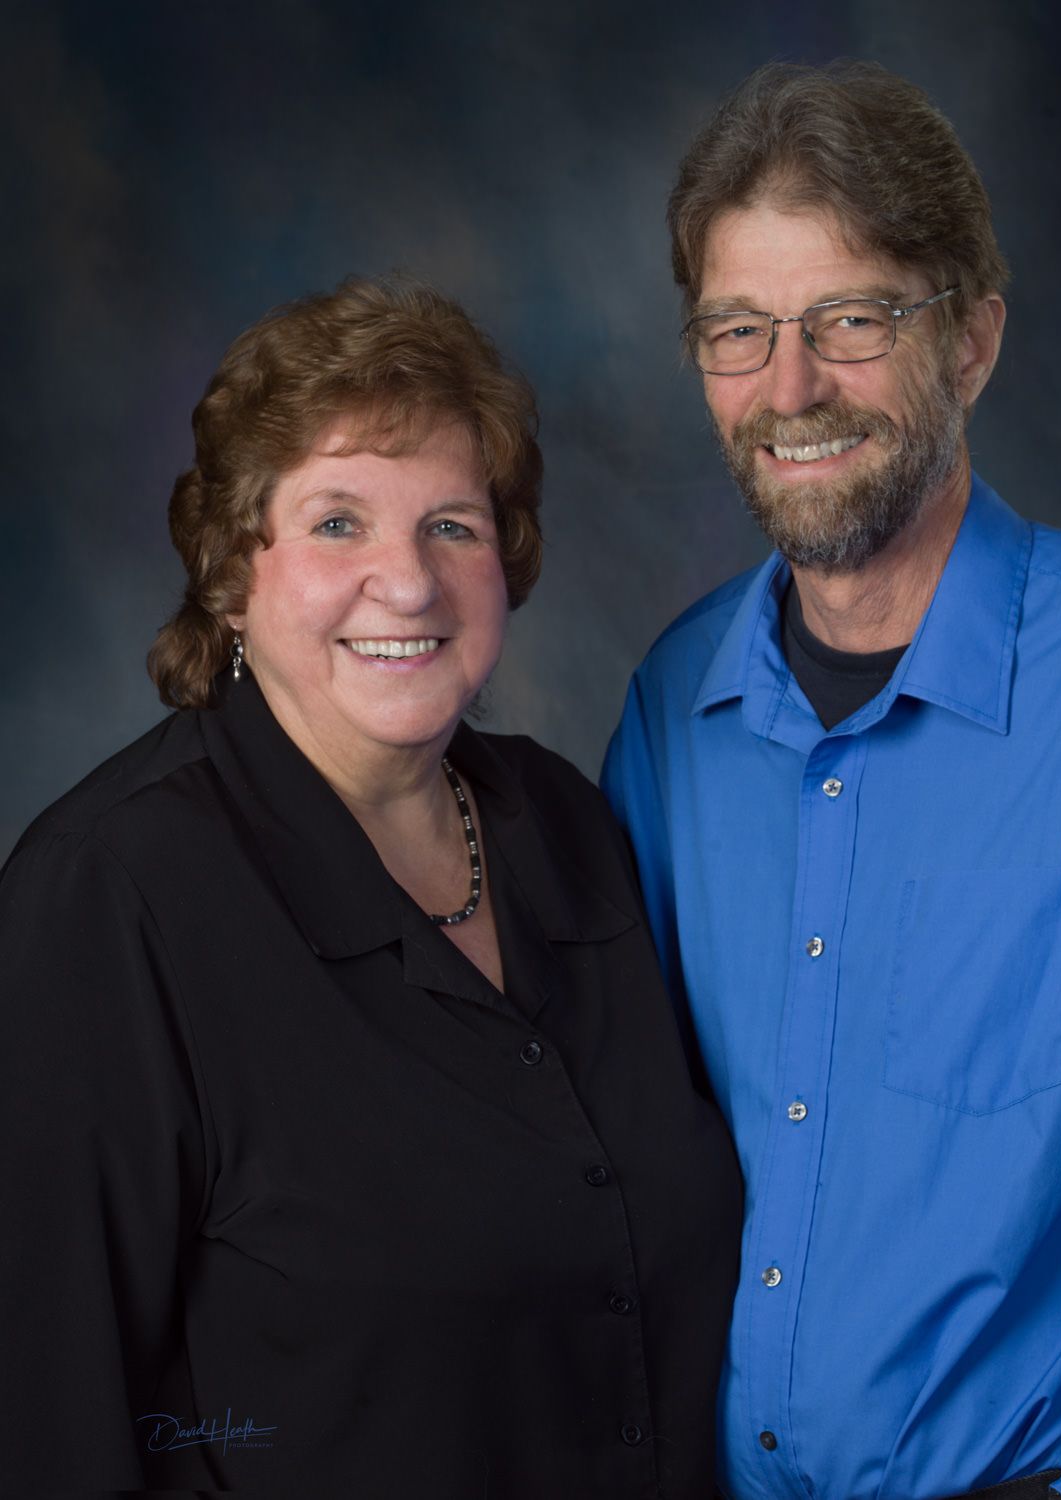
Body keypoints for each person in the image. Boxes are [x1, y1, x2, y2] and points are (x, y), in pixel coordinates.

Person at [0, 276, 741, 1497]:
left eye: (451, 523)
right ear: (233, 572)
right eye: (338, 522)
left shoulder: (562, 822)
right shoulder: (106, 899)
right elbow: (45, 1423)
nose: (406, 582)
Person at [602, 60, 1061, 1500]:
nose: (789, 387)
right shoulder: (671, 714)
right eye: (738, 331)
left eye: (851, 321)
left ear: (974, 340)